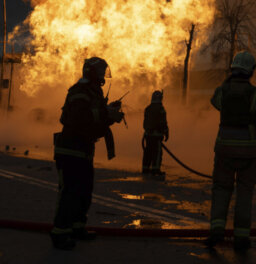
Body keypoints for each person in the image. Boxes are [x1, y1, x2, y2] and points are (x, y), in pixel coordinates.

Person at [50, 57, 125, 251]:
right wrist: (106, 115)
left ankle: (77, 228)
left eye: (104, 71)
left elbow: (95, 123)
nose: (103, 76)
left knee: (84, 192)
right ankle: (60, 233)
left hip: (83, 151)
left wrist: (109, 115)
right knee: (70, 193)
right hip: (70, 149)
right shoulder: (79, 92)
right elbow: (79, 120)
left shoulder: (93, 92)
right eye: (100, 71)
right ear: (90, 72)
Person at [205, 51, 256, 251]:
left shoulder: (222, 91)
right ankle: (242, 238)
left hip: (224, 151)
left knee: (221, 190)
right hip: (248, 155)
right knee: (244, 193)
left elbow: (215, 102)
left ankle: (216, 231)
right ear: (251, 71)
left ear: (232, 70)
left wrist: (228, 82)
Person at [142, 90, 169, 177]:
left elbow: (145, 123)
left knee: (148, 153)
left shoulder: (148, 108)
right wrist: (166, 132)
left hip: (148, 135)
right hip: (157, 136)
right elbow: (163, 122)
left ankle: (145, 169)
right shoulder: (161, 109)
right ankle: (155, 170)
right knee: (157, 153)